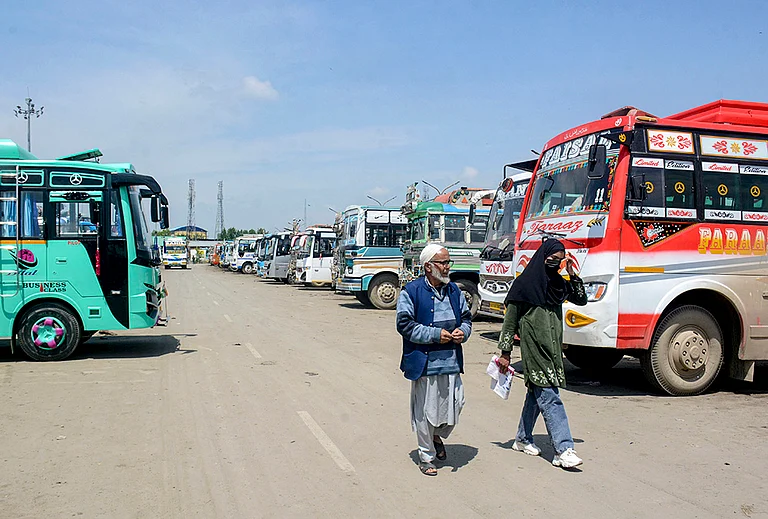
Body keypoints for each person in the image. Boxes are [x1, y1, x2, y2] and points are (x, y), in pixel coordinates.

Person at [496, 239, 588, 469]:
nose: (555, 263)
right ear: (542, 257)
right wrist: (505, 353)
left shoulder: (558, 284)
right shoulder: (523, 285)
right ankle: (564, 449)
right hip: (534, 349)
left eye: (559, 259)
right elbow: (510, 323)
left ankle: (522, 438)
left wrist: (572, 276)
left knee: (536, 396)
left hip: (553, 349)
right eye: (551, 259)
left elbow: (581, 299)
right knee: (550, 396)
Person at [396, 244, 472, 476]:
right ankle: (426, 456)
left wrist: (463, 332)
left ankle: (436, 435)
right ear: (428, 266)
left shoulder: (454, 291)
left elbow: (467, 319)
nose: (448, 267)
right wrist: (434, 335)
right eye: (443, 263)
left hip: (451, 362)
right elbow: (404, 324)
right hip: (424, 364)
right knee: (425, 411)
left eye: (449, 262)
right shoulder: (412, 291)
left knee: (455, 406)